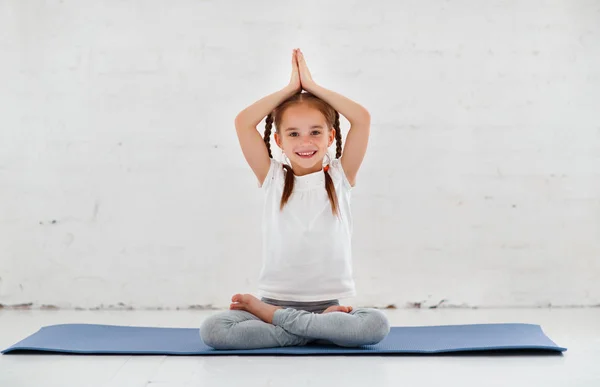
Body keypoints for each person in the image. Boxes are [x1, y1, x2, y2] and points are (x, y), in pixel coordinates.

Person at [200, 48, 390, 349]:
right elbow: (242, 122)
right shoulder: (273, 177)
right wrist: (289, 90)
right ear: (278, 140)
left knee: (376, 326)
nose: (305, 142)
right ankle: (317, 330)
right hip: (289, 304)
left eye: (315, 132)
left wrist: (312, 87)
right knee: (213, 330)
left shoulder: (340, 176)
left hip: (326, 305)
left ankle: (281, 322)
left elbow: (362, 119)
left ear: (330, 136)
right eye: (293, 134)